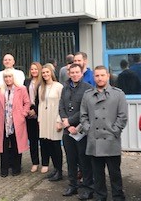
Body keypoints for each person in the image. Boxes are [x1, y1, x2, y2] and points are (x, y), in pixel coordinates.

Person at [80, 65, 128, 200]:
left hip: (111, 139)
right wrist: (88, 129)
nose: (99, 78)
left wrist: (115, 131)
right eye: (97, 75)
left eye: (102, 75)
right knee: (98, 174)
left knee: (115, 174)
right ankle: (100, 197)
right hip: (94, 140)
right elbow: (83, 116)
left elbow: (123, 116)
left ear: (108, 76)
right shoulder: (87, 95)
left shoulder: (118, 94)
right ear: (94, 77)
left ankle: (118, 197)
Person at [59, 63, 94, 199]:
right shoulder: (65, 88)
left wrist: (71, 121)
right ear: (69, 73)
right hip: (68, 131)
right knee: (71, 160)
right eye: (72, 72)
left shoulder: (88, 89)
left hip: (81, 131)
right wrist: (66, 124)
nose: (74, 74)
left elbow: (85, 110)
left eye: (77, 72)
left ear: (81, 73)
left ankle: (87, 187)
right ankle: (73, 185)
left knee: (84, 160)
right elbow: (61, 106)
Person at [0, 69, 30, 177]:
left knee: (16, 145)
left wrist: (23, 114)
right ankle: (4, 169)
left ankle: (16, 168)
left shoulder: (21, 89)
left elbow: (27, 103)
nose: (8, 79)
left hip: (17, 122)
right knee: (3, 146)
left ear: (14, 78)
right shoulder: (0, 90)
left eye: (10, 77)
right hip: (2, 122)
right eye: (6, 77)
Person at [36, 63, 64, 180]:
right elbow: (40, 104)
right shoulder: (41, 87)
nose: (45, 74)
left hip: (54, 118)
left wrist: (59, 120)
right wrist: (39, 119)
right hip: (44, 118)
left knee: (56, 144)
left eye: (47, 72)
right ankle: (55, 169)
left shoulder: (59, 86)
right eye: (43, 73)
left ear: (51, 73)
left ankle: (60, 171)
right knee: (47, 144)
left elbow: (62, 105)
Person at [24, 62, 42, 173]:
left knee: (44, 141)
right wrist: (29, 110)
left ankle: (45, 163)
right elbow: (24, 97)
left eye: (36, 69)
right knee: (33, 140)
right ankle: (35, 162)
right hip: (29, 115)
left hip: (40, 114)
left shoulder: (42, 82)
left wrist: (35, 110)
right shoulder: (26, 82)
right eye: (32, 69)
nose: (34, 71)